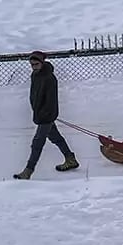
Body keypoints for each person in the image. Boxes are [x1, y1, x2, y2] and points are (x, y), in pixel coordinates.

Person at [14, 51, 79, 179]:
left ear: (42, 63)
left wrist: (46, 115)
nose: (33, 66)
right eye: (31, 64)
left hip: (46, 116)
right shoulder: (35, 75)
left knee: (37, 142)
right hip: (40, 114)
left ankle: (28, 171)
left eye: (36, 64)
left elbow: (51, 100)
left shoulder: (49, 78)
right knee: (56, 138)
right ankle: (70, 159)